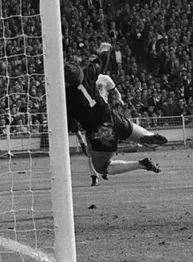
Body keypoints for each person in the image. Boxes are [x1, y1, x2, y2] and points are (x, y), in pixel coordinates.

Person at [65, 42, 168, 181]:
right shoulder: (89, 73)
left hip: (99, 132)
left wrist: (82, 141)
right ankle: (148, 136)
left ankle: (140, 164)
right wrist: (105, 48)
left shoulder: (66, 100)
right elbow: (103, 59)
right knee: (140, 137)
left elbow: (71, 125)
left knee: (102, 168)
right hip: (112, 117)